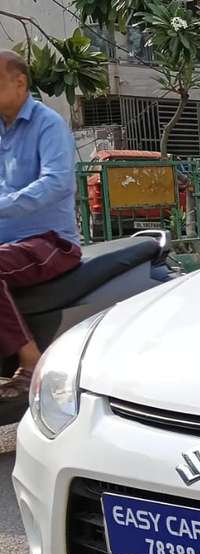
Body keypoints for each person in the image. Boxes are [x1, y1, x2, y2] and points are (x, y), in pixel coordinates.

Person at [0, 50, 81, 401]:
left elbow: (57, 182)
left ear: (20, 82)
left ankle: (30, 359)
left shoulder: (48, 124)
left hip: (49, 242)